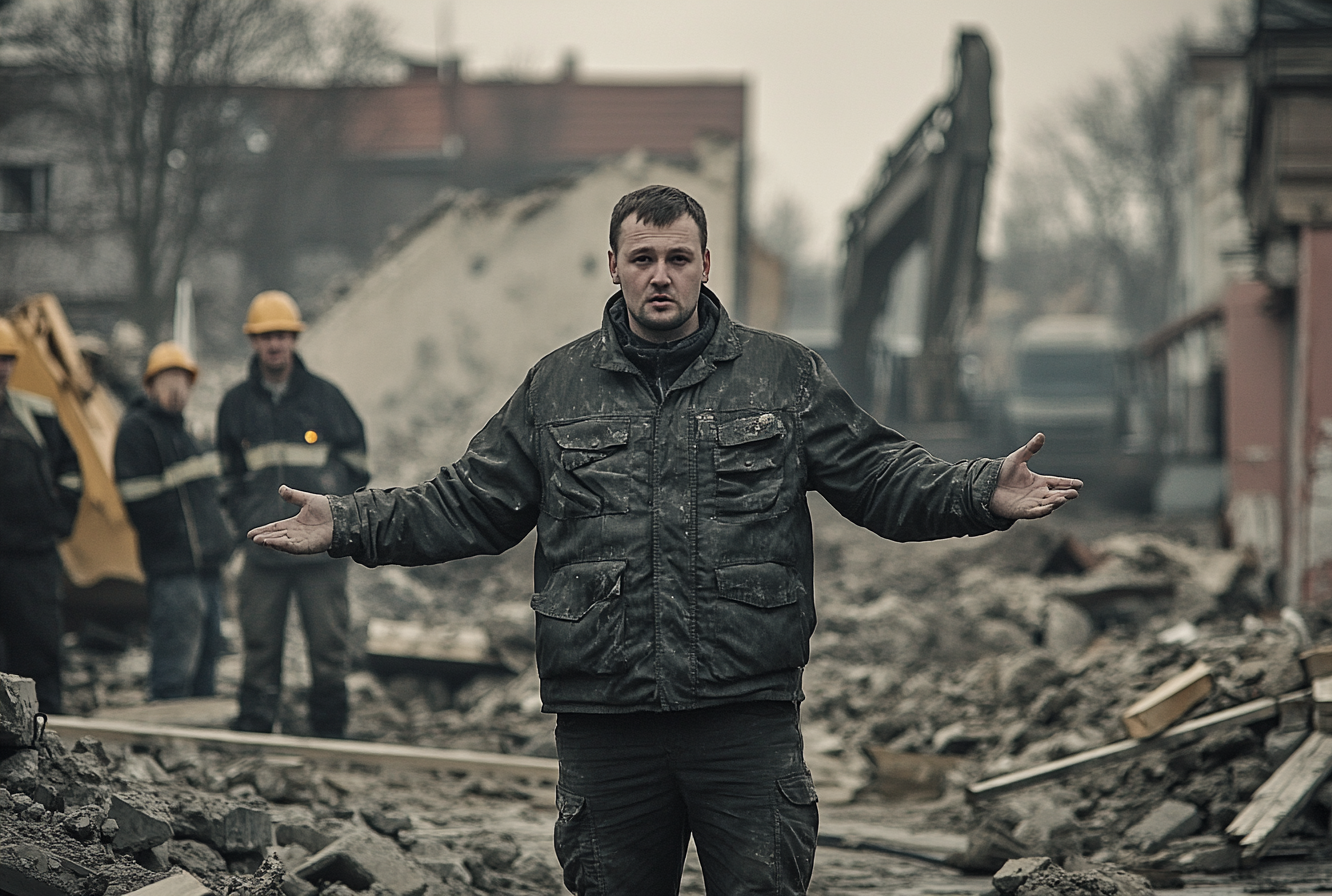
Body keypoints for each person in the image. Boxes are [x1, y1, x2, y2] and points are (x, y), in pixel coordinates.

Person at [248, 186, 1082, 895]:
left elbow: (880, 477)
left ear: (706, 267)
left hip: (744, 724)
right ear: (612, 265)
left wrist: (980, 491)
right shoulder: (556, 387)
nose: (660, 276)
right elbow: (466, 504)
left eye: (677, 259)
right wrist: (348, 522)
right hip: (606, 730)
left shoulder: (781, 376)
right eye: (642, 258)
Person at [217, 291, 368, 738]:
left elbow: (356, 463)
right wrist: (249, 517)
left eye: (282, 335)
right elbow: (225, 477)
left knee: (328, 645)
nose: (275, 344)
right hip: (264, 551)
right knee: (260, 644)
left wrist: (332, 513)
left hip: (322, 555)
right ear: (254, 342)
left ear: (294, 339)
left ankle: (329, 730)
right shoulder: (235, 406)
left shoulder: (326, 399)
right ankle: (256, 726)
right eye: (266, 336)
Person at [115, 341, 233, 701]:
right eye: (167, 381)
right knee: (174, 666)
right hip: (173, 571)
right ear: (149, 386)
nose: (176, 389)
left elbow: (212, 496)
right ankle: (164, 740)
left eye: (182, 381)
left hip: (206, 569)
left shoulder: (188, 433)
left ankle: (196, 749)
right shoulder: (138, 431)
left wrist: (221, 540)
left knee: (207, 659)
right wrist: (178, 538)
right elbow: (139, 501)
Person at [0, 317, 82, 714]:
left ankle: (46, 732)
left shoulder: (37, 413)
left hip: (33, 557)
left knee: (39, 645)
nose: (0, 367)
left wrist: (58, 520)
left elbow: (71, 470)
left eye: (6, 359)